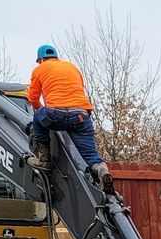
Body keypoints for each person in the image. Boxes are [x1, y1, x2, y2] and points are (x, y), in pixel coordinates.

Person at [24, 44, 114, 193]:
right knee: (89, 154)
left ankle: (44, 160)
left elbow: (33, 98)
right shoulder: (72, 68)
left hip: (56, 114)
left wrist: (43, 113)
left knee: (38, 116)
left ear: (40, 59)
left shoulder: (39, 69)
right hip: (81, 115)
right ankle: (101, 170)